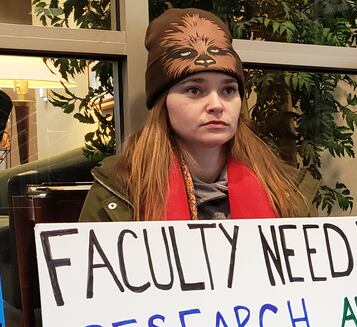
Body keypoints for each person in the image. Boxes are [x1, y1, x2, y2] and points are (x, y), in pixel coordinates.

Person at [80, 8, 309, 222]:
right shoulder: (120, 189)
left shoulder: (285, 189)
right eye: (194, 90)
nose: (216, 105)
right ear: (163, 102)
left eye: (228, 90)